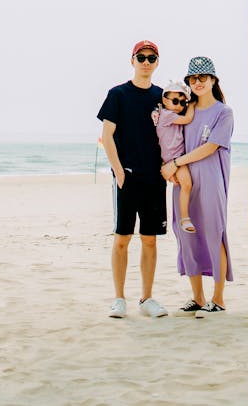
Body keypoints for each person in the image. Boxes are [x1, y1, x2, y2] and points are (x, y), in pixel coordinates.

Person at [97, 40, 168, 319]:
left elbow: (173, 134)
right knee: (122, 238)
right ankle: (119, 299)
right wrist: (118, 172)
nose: (146, 62)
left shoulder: (163, 97)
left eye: (151, 58)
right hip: (127, 178)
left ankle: (147, 299)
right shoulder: (117, 94)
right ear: (132, 60)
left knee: (150, 240)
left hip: (155, 179)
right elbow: (107, 136)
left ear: (157, 62)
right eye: (142, 57)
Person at [160, 56, 233, 316]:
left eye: (203, 77)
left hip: (211, 181)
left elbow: (211, 147)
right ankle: (198, 297)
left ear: (213, 80)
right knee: (187, 237)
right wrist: (169, 167)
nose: (198, 82)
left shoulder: (223, 113)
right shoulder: (184, 111)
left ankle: (219, 298)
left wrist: (176, 162)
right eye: (193, 79)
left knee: (214, 235)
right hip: (184, 182)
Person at [152, 80, 196, 233]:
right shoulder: (167, 115)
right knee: (187, 185)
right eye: (175, 101)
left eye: (183, 102)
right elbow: (188, 119)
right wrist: (191, 106)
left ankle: (184, 217)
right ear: (164, 100)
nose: (179, 105)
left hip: (173, 157)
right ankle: (184, 218)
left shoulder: (172, 114)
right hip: (173, 158)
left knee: (185, 185)